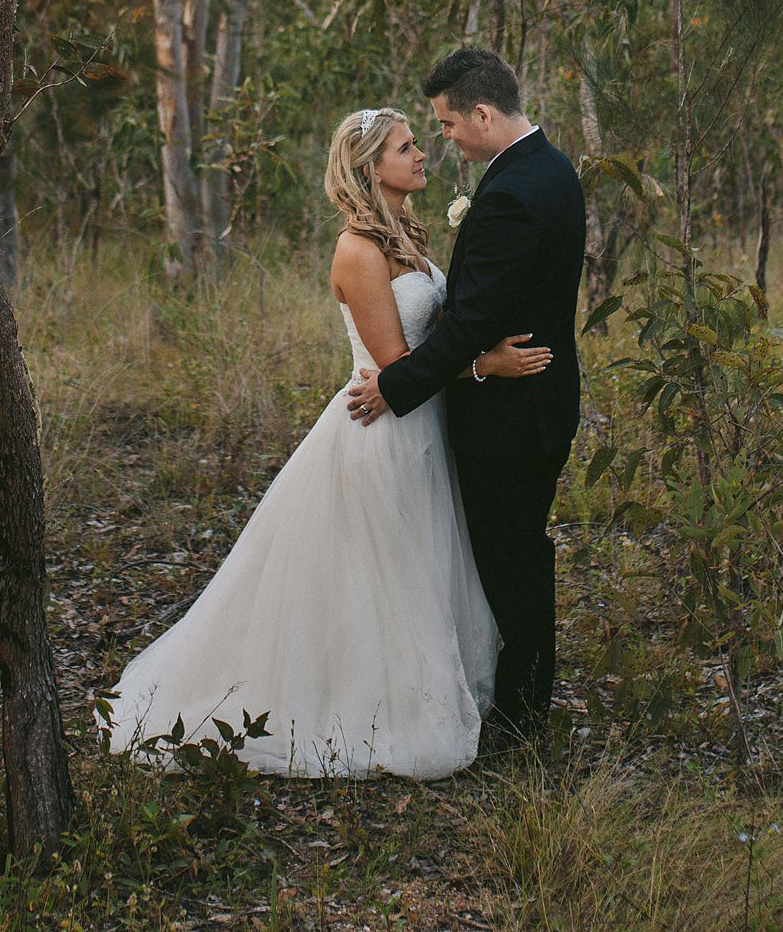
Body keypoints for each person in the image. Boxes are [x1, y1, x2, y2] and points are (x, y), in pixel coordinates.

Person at [99, 104, 553, 778]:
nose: (421, 153)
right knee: (383, 577)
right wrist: (487, 364)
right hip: (383, 429)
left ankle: (438, 690)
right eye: (405, 146)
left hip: (426, 422)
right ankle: (374, 710)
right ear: (372, 168)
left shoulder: (407, 234)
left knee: (424, 569)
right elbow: (396, 364)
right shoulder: (357, 250)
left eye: (417, 141)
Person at [346, 47, 585, 753]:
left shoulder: (510, 192)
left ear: (481, 113)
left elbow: (469, 321)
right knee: (516, 557)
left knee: (512, 566)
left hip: (510, 420)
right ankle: (514, 702)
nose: (442, 139)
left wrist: (395, 387)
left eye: (447, 124)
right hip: (537, 404)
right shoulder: (551, 169)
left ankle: (520, 717)